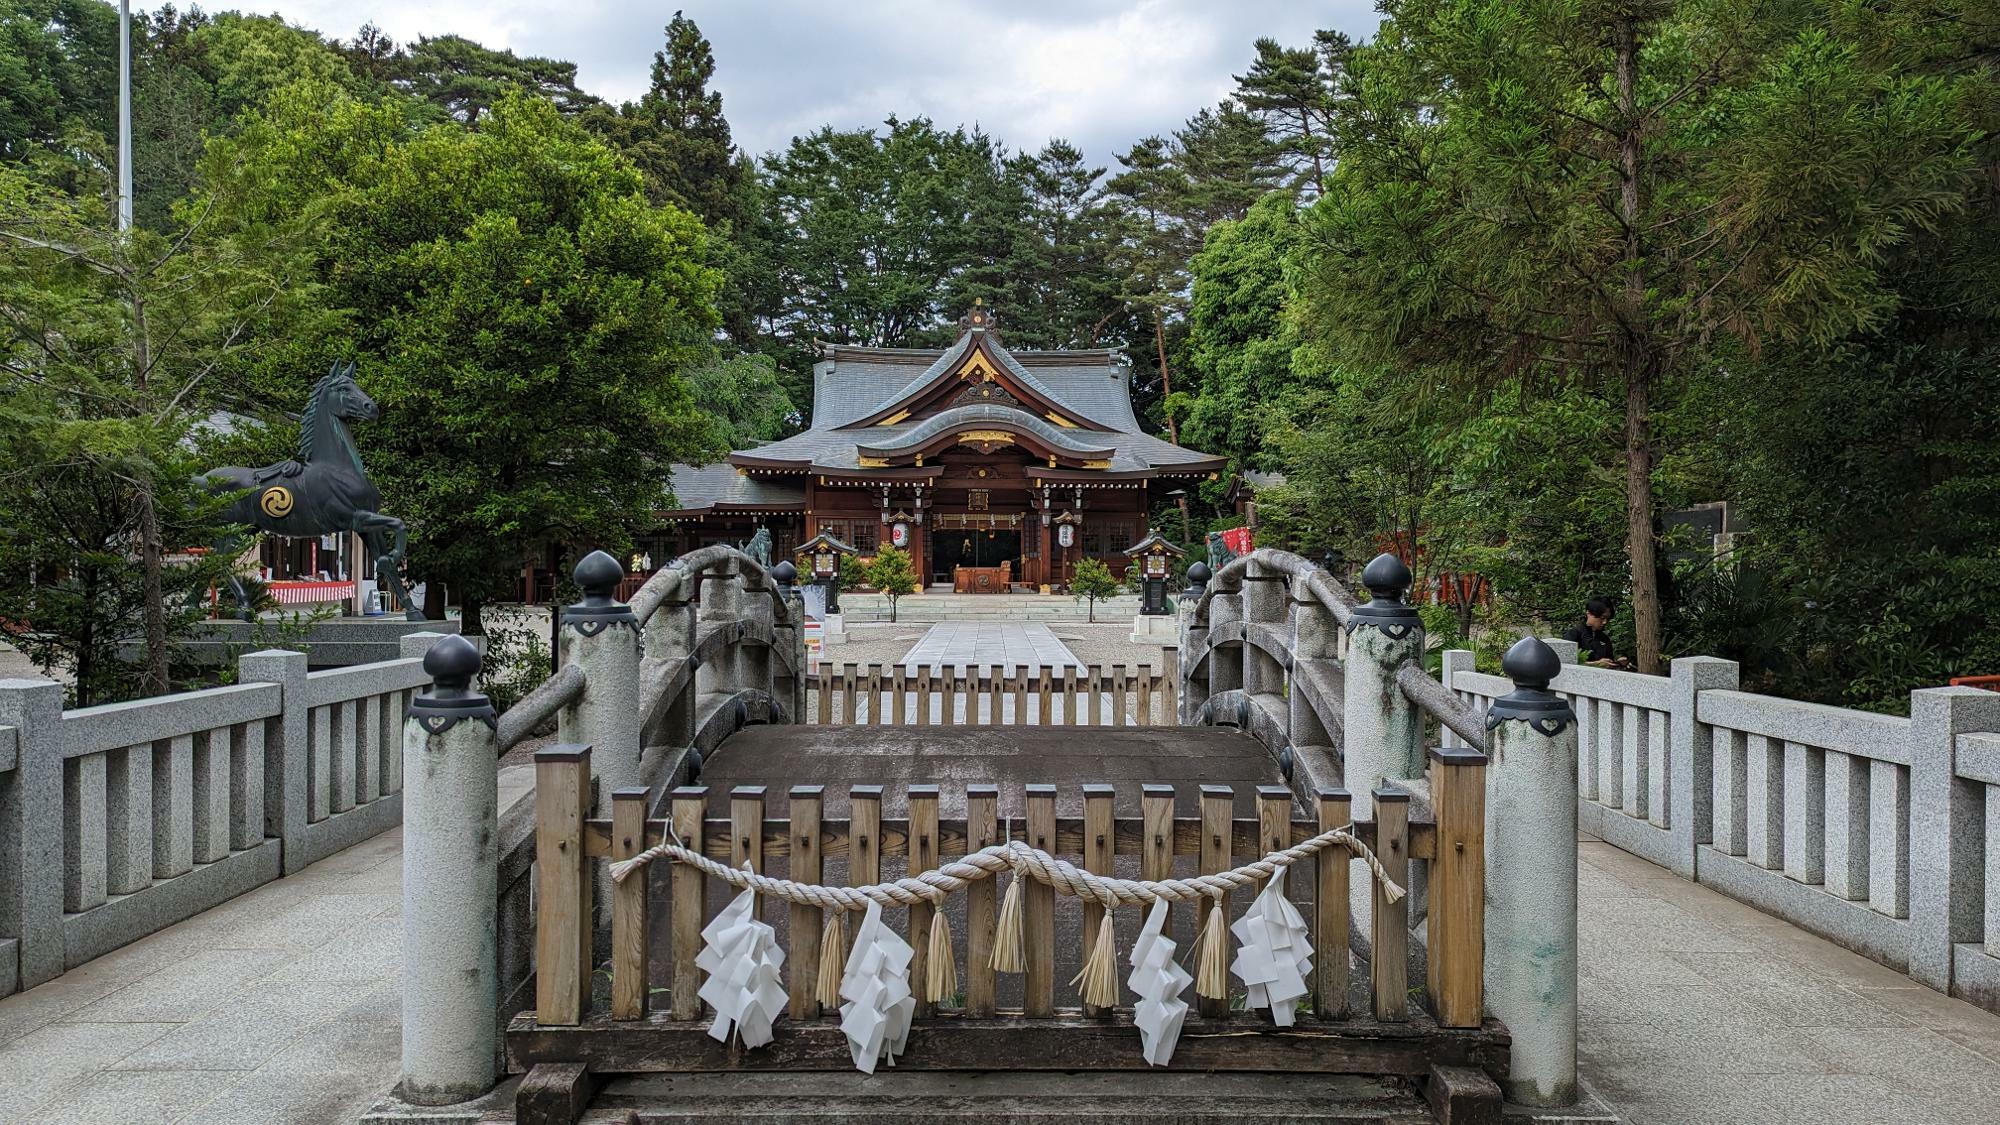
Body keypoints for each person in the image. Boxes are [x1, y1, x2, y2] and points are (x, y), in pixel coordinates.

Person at [1564, 597, 1630, 669]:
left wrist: (1617, 663)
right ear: (1588, 613)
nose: (1605, 622)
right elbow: (1566, 663)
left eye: (1607, 619)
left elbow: (1607, 662)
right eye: (1602, 618)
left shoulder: (1604, 639)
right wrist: (1595, 664)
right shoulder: (1573, 635)